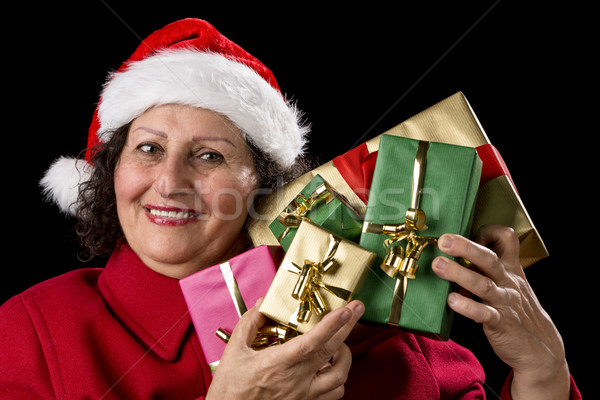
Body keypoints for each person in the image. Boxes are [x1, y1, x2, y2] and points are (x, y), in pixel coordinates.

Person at [0, 18, 580, 399]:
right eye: (148, 148)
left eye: (208, 155)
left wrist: (543, 375)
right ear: (112, 170)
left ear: (262, 185)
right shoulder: (31, 331)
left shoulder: (384, 323)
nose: (170, 182)